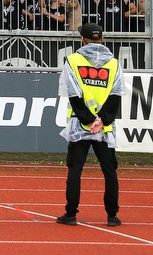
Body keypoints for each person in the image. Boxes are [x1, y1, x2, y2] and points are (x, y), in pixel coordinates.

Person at [57, 22, 124, 228]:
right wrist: (102, 120)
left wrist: (88, 120)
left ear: (82, 40)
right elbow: (116, 94)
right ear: (102, 39)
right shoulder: (113, 63)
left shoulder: (73, 60)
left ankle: (71, 213)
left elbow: (73, 93)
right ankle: (112, 215)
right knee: (109, 170)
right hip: (104, 127)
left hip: (80, 125)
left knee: (75, 168)